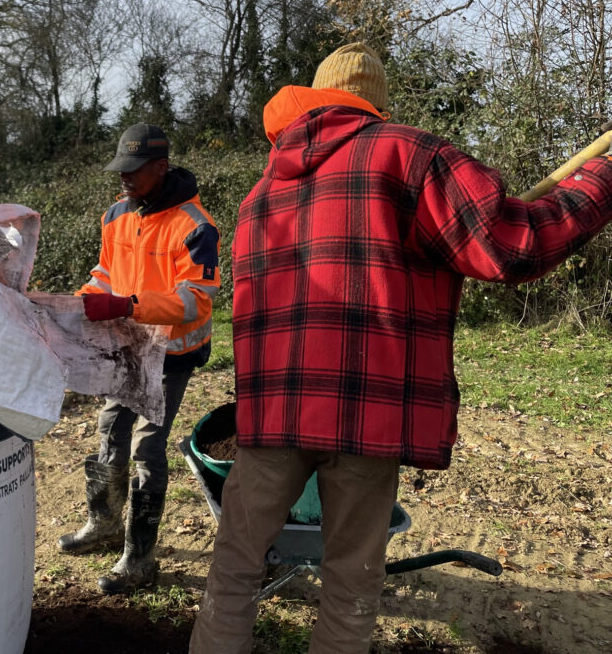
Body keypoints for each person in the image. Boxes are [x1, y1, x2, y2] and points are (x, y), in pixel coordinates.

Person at [189, 43, 612, 653]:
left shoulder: (259, 197)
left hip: (273, 415)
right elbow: (514, 245)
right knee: (350, 588)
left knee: (232, 573)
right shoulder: (408, 157)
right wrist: (600, 179)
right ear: (375, 104)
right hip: (366, 414)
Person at [59, 122, 221, 594]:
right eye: (120, 170)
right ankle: (104, 524)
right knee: (110, 428)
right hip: (127, 345)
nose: (124, 179)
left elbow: (195, 300)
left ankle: (140, 557)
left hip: (172, 353)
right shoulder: (115, 215)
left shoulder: (196, 226)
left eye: (133, 171)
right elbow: (106, 271)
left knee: (147, 446)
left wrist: (127, 304)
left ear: (160, 167)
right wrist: (85, 300)